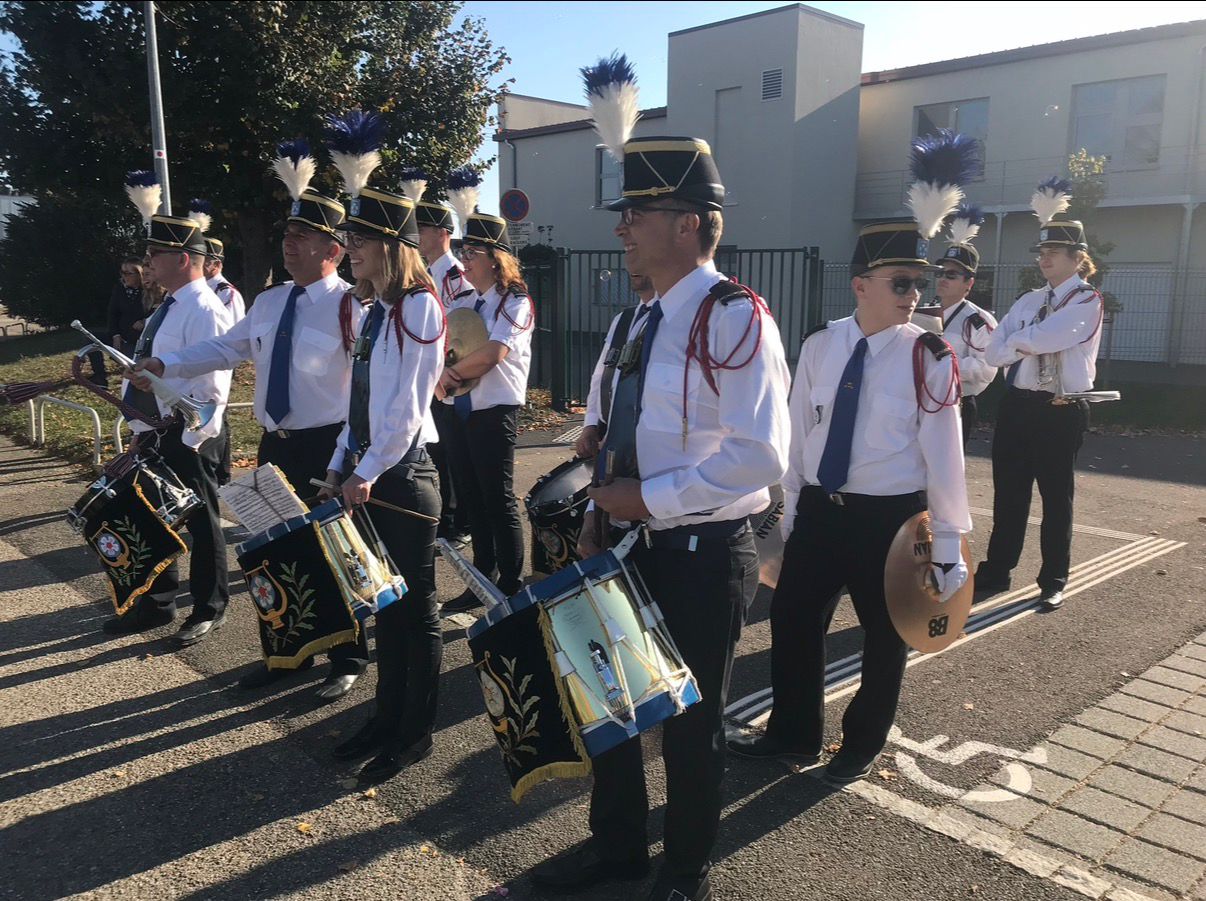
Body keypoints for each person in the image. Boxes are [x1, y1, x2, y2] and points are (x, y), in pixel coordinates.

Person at [531, 135, 790, 901]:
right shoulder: (635, 320)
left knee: (689, 724)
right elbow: (615, 429)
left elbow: (762, 455)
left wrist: (649, 500)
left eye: (636, 213)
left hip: (703, 551)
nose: (622, 229)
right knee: (609, 708)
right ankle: (617, 850)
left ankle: (685, 869)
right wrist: (597, 515)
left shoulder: (735, 318)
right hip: (623, 543)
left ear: (688, 224)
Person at [728, 132, 976, 785]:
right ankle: (792, 732)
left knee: (887, 632)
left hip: (892, 517)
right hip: (822, 511)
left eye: (919, 284)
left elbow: (945, 454)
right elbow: (798, 440)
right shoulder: (818, 345)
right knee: (791, 616)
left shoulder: (929, 355)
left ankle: (861, 742)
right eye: (900, 282)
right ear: (861, 284)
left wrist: (948, 547)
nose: (913, 295)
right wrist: (786, 523)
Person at [137, 142, 369, 701]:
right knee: (274, 557)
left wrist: (356, 454)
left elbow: (368, 387)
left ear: (332, 249)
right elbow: (224, 348)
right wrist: (165, 363)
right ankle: (287, 653)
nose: (289, 247)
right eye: (287, 238)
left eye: (301, 239)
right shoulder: (268, 302)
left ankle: (348, 654)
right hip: (276, 447)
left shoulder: (351, 305)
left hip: (326, 448)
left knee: (332, 552)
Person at [319, 113, 445, 783]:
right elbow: (361, 405)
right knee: (385, 609)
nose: (350, 248)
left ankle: (412, 732)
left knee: (413, 612)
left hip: (404, 478)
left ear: (392, 245)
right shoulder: (376, 311)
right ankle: (383, 716)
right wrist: (341, 460)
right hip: (371, 474)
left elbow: (405, 412)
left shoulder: (421, 307)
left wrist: (362, 471)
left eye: (359, 237)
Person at [974, 179, 1104, 611]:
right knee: (1008, 494)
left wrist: (1019, 341)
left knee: (1055, 498)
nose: (1044, 259)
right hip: (1019, 406)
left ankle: (1053, 578)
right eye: (1041, 253)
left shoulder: (1087, 301)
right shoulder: (1030, 300)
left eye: (1053, 253)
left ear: (1076, 259)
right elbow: (994, 350)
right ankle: (997, 571)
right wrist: (1020, 341)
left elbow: (1051, 336)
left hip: (1060, 409)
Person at [115, 208, 233, 644]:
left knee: (203, 524)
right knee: (153, 519)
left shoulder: (203, 308)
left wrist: (194, 437)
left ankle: (209, 607)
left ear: (183, 258)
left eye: (155, 254)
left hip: (187, 432)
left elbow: (214, 383)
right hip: (155, 428)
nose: (148, 263)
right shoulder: (170, 305)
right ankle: (156, 604)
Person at [436, 213, 534, 612]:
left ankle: (510, 586)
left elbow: (495, 353)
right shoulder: (463, 299)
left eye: (472, 252)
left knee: (498, 499)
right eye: (463, 250)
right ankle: (481, 579)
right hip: (458, 409)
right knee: (472, 500)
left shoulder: (516, 301)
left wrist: (447, 376)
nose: (465, 259)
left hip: (494, 412)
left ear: (495, 258)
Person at [417, 197, 474, 548]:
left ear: (441, 233)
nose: (417, 236)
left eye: (421, 229)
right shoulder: (425, 274)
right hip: (430, 377)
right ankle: (445, 515)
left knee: (454, 455)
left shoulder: (454, 276)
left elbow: (463, 328)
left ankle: (459, 521)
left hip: (450, 376)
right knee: (438, 453)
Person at [574, 272, 657, 461]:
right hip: (609, 437)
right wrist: (591, 424)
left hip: (642, 446)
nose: (634, 267)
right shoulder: (624, 318)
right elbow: (602, 375)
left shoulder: (669, 319)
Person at [934, 205, 998, 445]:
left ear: (968, 283)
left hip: (957, 402)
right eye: (940, 273)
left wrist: (942, 365)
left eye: (951, 275)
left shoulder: (977, 321)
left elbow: (988, 367)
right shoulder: (923, 312)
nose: (942, 278)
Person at [107, 256, 151, 353]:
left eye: (128, 274)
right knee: (91, 339)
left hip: (138, 339)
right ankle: (99, 368)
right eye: (122, 273)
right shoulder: (119, 288)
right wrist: (115, 335)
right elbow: (112, 313)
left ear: (139, 274)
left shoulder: (149, 290)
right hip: (120, 334)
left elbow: (156, 310)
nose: (124, 277)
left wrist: (145, 321)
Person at [203, 237, 246, 322]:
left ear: (216, 264)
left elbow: (234, 328)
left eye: (204, 260)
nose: (197, 263)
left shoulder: (226, 293)